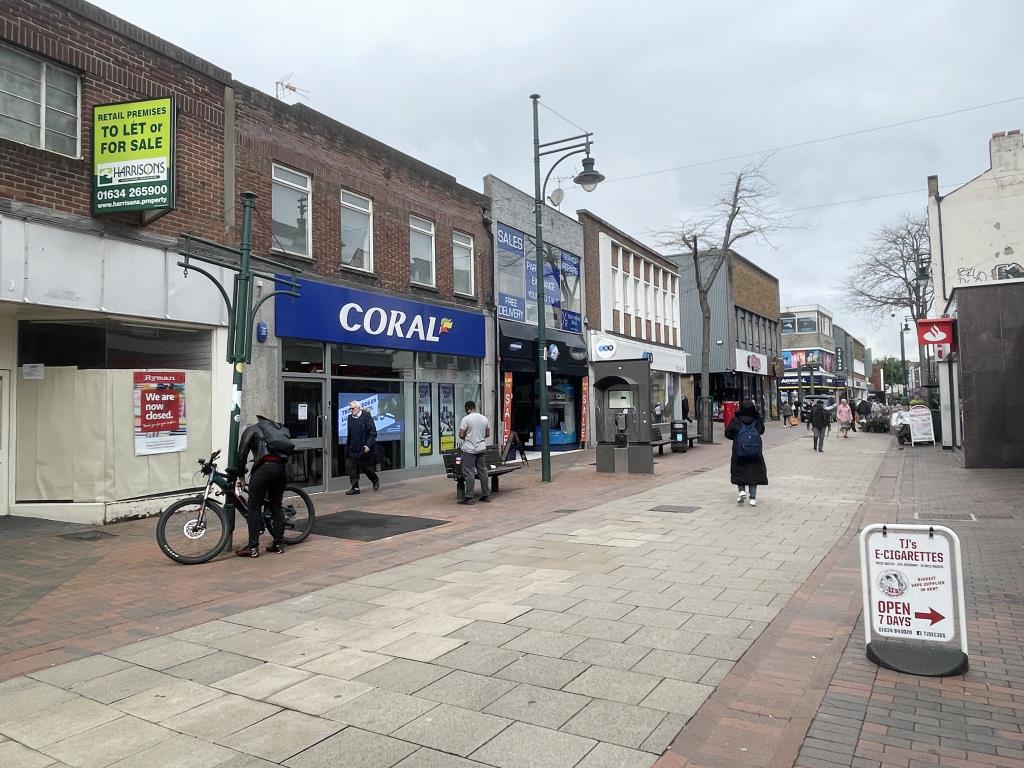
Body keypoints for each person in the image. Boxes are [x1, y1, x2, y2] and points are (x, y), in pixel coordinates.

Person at [235, 415, 290, 557]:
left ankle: (252, 547)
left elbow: (241, 454)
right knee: (276, 505)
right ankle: (279, 544)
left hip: (263, 469)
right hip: (281, 469)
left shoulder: (252, 430)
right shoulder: (279, 430)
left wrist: (240, 475)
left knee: (254, 506)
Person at [724, 400, 767, 507]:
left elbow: (728, 433)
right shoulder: (757, 420)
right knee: (753, 474)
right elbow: (761, 431)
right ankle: (752, 498)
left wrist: (736, 436)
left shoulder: (736, 420)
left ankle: (741, 491)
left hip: (739, 451)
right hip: (755, 452)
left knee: (739, 471)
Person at [458, 400, 490, 505]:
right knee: (483, 471)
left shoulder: (466, 419)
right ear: (474, 407)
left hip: (469, 449)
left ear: (467, 408)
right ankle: (486, 494)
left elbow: (461, 435)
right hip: (481, 448)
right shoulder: (484, 418)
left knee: (469, 472)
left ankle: (469, 497)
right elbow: (488, 433)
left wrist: (469, 436)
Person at [345, 400, 379, 495]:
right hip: (353, 447)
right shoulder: (349, 418)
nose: (351, 410)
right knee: (352, 469)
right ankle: (355, 488)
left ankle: (375, 479)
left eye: (353, 408)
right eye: (350, 409)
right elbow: (350, 434)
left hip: (363, 447)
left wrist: (368, 445)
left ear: (359, 408)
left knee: (366, 468)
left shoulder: (366, 417)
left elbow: (373, 433)